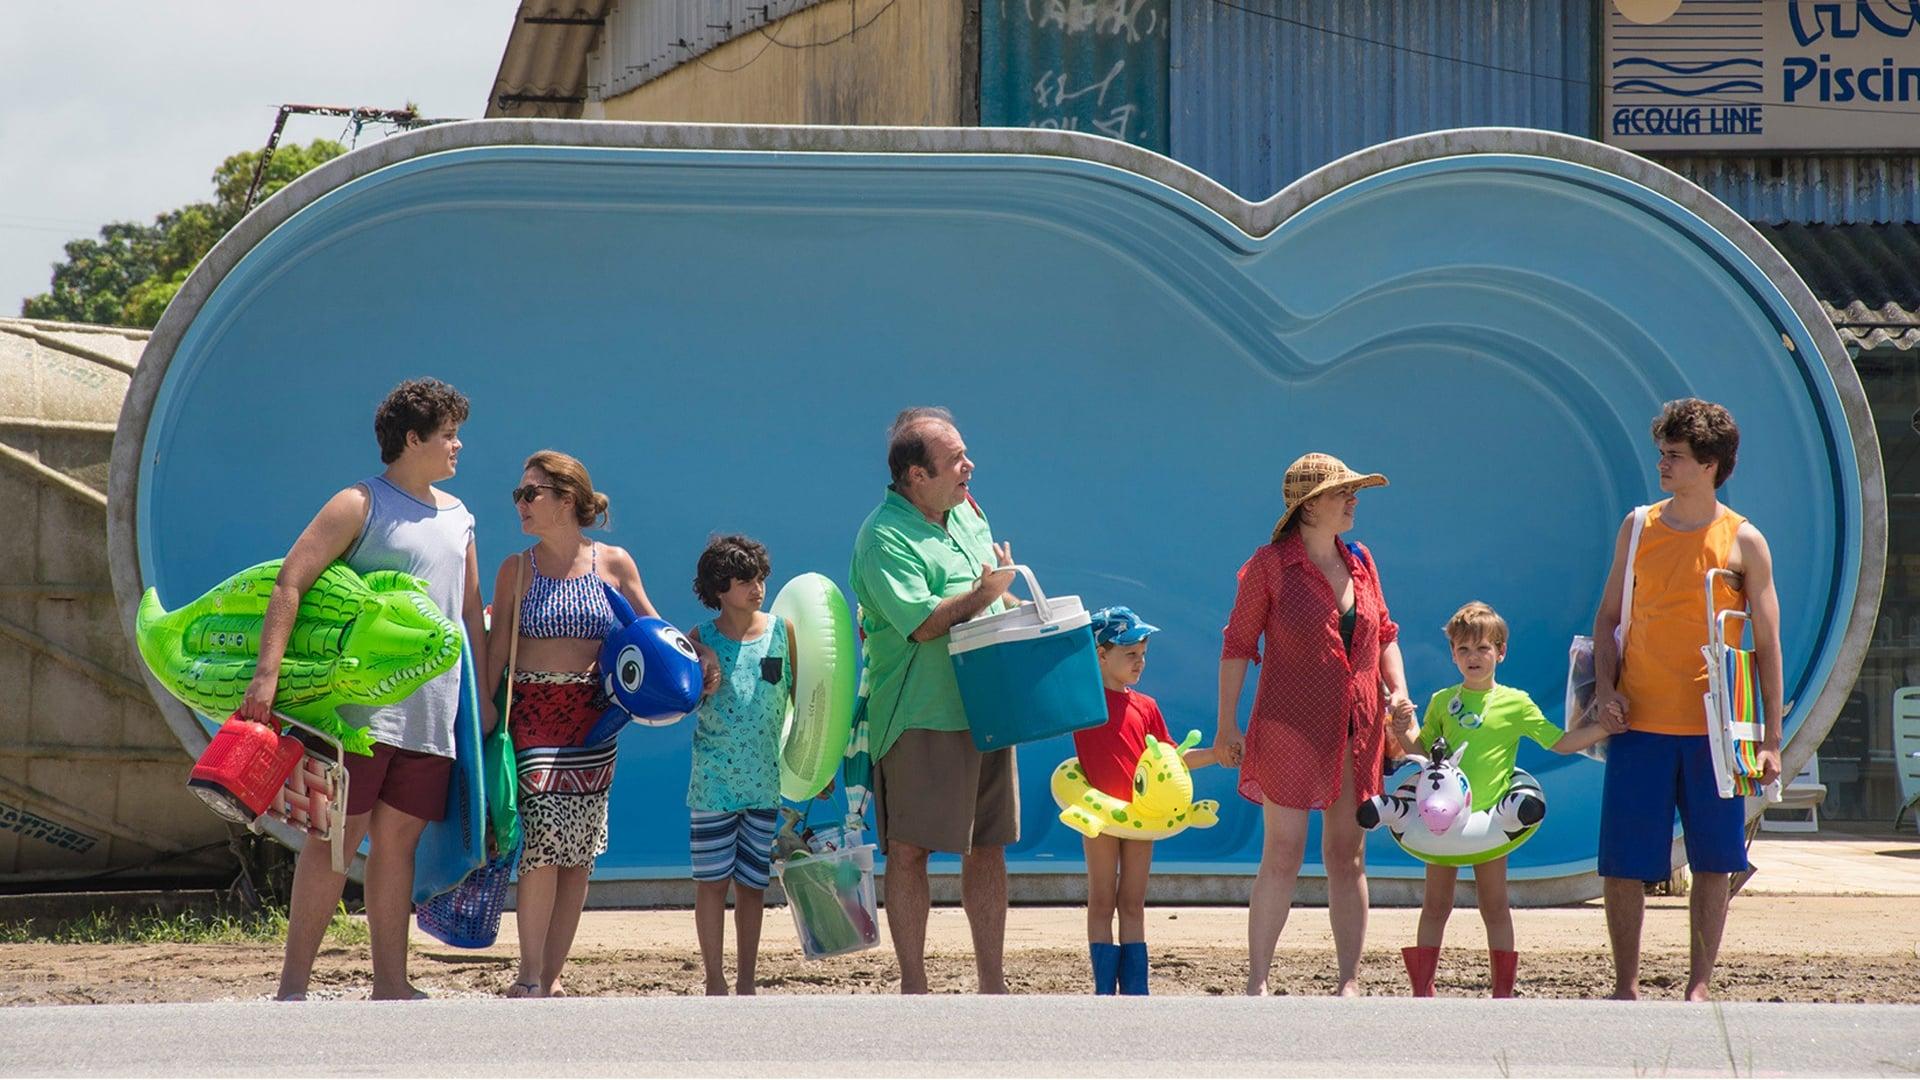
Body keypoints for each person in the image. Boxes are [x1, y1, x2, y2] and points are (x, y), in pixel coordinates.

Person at [239, 378, 486, 1001]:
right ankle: (292, 986)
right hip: (355, 714)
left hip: (432, 713)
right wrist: (266, 675)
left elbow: (467, 612)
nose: (458, 446)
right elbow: (291, 582)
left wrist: (481, 707)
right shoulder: (358, 503)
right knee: (334, 840)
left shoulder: (461, 518)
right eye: (448, 435)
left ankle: (390, 984)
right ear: (412, 438)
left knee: (397, 843)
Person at [1590, 398, 1783, 1002]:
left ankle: (1699, 986)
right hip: (1639, 724)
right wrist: (1604, 689)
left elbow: (1769, 646)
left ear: (1711, 465)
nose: (1662, 465)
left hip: (1716, 732)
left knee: (1714, 861)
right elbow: (1605, 623)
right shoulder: (1638, 525)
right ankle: (1625, 986)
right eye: (1662, 453)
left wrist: (1771, 742)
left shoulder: (1745, 541)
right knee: (1622, 864)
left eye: (1674, 456)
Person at [1217, 452, 1416, 997]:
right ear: (1309, 506)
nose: (1354, 500)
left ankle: (1348, 982)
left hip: (1359, 724)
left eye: (1354, 492)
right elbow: (1237, 644)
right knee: (1282, 851)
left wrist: (1398, 691)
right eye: (1342, 492)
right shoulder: (1270, 565)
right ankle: (1257, 980)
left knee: (1346, 855)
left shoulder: (1361, 560)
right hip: (1289, 724)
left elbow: (1385, 634)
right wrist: (1225, 726)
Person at [848, 406, 1019, 994]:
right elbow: (921, 625)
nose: (970, 466)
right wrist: (984, 593)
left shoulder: (967, 510)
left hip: (988, 704)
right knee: (910, 851)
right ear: (916, 476)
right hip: (919, 714)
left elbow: (989, 591)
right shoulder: (882, 536)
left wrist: (1007, 605)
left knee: (989, 847)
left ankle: (992, 985)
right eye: (955, 460)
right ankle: (914, 986)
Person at [482, 450, 660, 998]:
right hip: (532, 717)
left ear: (567, 499)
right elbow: (495, 650)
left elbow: (652, 630)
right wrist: (486, 712)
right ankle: (529, 975)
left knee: (578, 851)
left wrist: (694, 660)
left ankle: (551, 978)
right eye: (518, 494)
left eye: (530, 493)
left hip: (594, 721)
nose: (520, 504)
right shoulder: (517, 568)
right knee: (541, 840)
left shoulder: (614, 562)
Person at [1389, 601, 1623, 997]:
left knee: (1494, 906)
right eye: (1463, 650)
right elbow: (1426, 755)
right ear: (1452, 654)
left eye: (1482, 648)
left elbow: (1561, 742)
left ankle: (1502, 992)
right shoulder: (1443, 701)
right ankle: (1422, 991)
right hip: (1443, 822)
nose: (1473, 657)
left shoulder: (1515, 703)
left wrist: (1603, 728)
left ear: (1501, 651)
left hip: (1489, 824)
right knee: (1435, 906)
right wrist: (1401, 729)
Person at [1075, 606, 1217, 996]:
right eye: (1130, 653)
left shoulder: (1147, 707)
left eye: (1143, 653)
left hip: (1143, 815)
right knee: (1102, 899)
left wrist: (1216, 755)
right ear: (1101, 655)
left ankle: (1136, 992)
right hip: (1101, 815)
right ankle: (1104, 991)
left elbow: (1174, 760)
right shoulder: (1083, 700)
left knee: (1133, 902)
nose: (1140, 662)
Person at [684, 534, 794, 996]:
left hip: (764, 783)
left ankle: (746, 981)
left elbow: (801, 700)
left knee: (753, 886)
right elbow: (683, 701)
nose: (757, 587)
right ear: (719, 587)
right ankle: (714, 979)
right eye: (745, 579)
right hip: (713, 785)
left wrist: (814, 767)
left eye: (761, 577)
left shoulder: (782, 632)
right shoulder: (698, 639)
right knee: (711, 884)